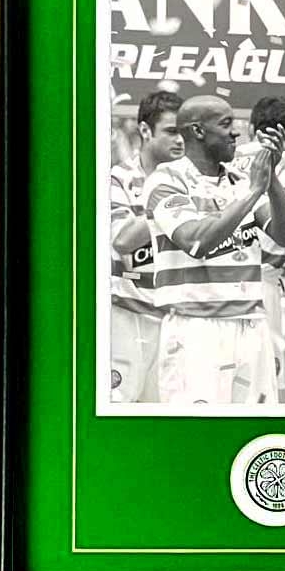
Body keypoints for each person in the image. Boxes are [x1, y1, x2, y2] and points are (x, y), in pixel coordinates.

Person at [142, 95, 285, 404]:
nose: (236, 132)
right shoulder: (166, 179)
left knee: (254, 426)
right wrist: (254, 191)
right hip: (196, 328)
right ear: (198, 131)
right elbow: (196, 242)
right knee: (201, 430)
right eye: (226, 124)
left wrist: (271, 179)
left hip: (252, 324)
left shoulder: (240, 180)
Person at [230, 96, 285, 403]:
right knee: (263, 384)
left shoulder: (228, 158)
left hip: (221, 279)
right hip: (263, 283)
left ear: (251, 128)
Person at [109, 90, 184, 402]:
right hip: (127, 315)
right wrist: (164, 204)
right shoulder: (118, 178)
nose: (180, 140)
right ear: (144, 130)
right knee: (120, 406)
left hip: (175, 318)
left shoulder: (190, 180)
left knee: (167, 412)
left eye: (184, 132)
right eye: (171, 131)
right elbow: (123, 239)